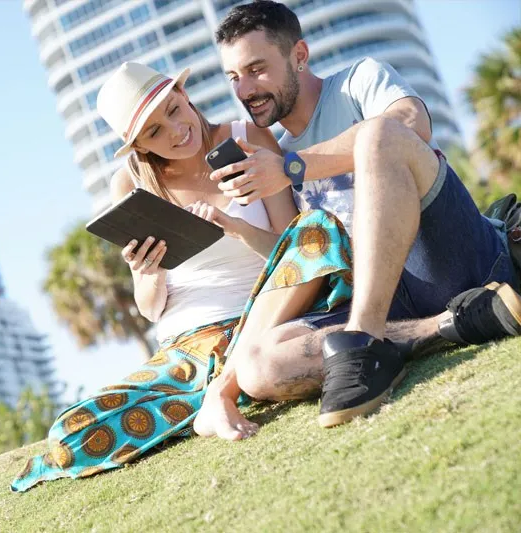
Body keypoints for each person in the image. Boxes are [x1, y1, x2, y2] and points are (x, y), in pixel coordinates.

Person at [11, 61, 354, 492]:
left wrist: (235, 227)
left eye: (174, 110)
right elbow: (151, 308)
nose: (175, 131)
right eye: (154, 131)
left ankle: (223, 390)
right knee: (70, 433)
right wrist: (148, 272)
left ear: (185, 95)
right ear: (138, 145)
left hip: (258, 320)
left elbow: (294, 249)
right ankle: (217, 393)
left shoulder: (248, 140)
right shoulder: (131, 185)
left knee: (317, 228)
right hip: (185, 350)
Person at [195, 0, 521, 437]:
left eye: (257, 69)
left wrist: (294, 167)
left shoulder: (359, 80)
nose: (245, 89)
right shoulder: (272, 149)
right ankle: (452, 325)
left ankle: (365, 340)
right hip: (387, 299)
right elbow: (306, 256)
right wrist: (236, 229)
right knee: (257, 365)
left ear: (299, 56)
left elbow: (409, 124)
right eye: (234, 77)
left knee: (378, 134)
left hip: (449, 256)